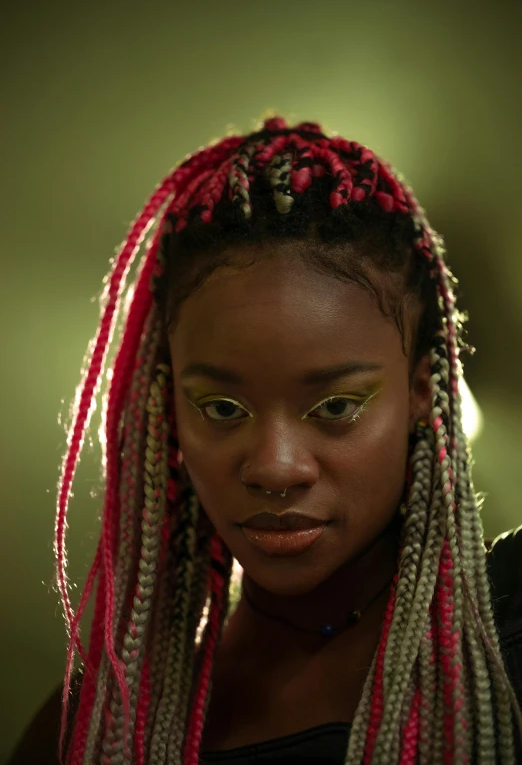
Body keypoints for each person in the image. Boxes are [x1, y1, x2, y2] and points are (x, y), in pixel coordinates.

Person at [9, 115, 522, 764]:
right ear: (169, 408)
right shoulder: (92, 730)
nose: (276, 468)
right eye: (222, 407)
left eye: (336, 405)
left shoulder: (512, 628)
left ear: (422, 390)